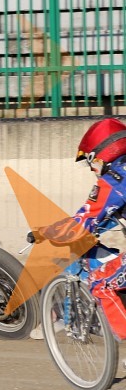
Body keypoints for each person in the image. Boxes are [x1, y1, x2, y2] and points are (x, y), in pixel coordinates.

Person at [35, 117, 126, 338]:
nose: (92, 169)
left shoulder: (115, 179)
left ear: (104, 154)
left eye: (92, 162)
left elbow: (82, 223)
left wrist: (44, 232)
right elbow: (107, 218)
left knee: (100, 283)